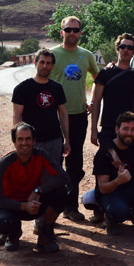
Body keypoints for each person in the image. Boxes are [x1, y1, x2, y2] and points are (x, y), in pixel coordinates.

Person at [50, 16, 100, 222]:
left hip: (78, 116)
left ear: (80, 33)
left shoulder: (87, 56)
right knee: (53, 163)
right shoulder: (51, 54)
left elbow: (99, 81)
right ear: (61, 32)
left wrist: (90, 101)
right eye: (68, 30)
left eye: (76, 30)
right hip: (53, 117)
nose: (72, 33)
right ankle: (50, 209)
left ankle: (70, 208)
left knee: (74, 163)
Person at [0, 122, 69, 253]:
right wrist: (23, 206)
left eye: (28, 139)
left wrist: (38, 190)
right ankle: (13, 234)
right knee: (2, 223)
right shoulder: (5, 163)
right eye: (20, 139)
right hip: (14, 206)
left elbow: (64, 177)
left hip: (35, 202)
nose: (24, 143)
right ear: (14, 142)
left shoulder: (41, 155)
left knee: (61, 192)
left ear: (34, 141)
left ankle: (46, 234)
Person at [90, 33, 134, 149]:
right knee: (107, 162)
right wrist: (94, 129)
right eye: (122, 47)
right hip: (108, 126)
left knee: (130, 164)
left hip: (130, 128)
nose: (126, 50)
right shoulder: (105, 73)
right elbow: (96, 102)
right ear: (117, 49)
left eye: (130, 48)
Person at [12, 49, 70, 164]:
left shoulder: (57, 88)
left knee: (54, 177)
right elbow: (16, 117)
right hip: (32, 141)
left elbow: (63, 114)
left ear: (53, 66)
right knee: (32, 177)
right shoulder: (22, 88)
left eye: (48, 63)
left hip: (55, 140)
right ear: (35, 63)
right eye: (42, 62)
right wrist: (19, 142)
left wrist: (67, 140)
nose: (45, 66)